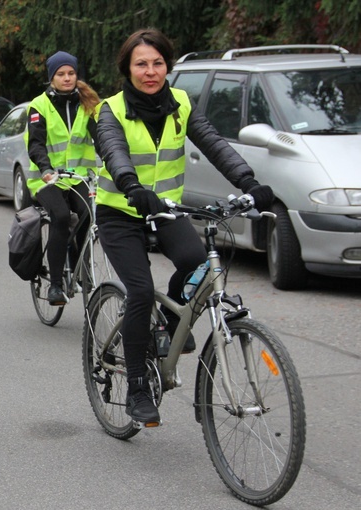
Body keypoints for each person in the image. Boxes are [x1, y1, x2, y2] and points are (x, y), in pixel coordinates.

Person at [94, 28, 274, 425]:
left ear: (167, 66)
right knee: (140, 290)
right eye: (141, 64)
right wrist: (131, 186)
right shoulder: (109, 109)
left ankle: (171, 324)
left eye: (157, 63)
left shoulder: (180, 103)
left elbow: (213, 144)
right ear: (128, 67)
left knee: (197, 263)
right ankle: (139, 384)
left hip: (165, 210)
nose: (150, 71)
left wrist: (248, 181)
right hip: (120, 211)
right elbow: (113, 150)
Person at [26, 51, 100, 305]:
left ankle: (83, 270)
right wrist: (46, 169)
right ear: (51, 78)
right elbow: (36, 145)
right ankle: (56, 285)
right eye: (61, 74)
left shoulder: (89, 104)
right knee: (59, 217)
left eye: (71, 73)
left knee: (89, 216)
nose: (67, 78)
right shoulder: (39, 106)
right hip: (47, 179)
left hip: (78, 178)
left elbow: (102, 141)